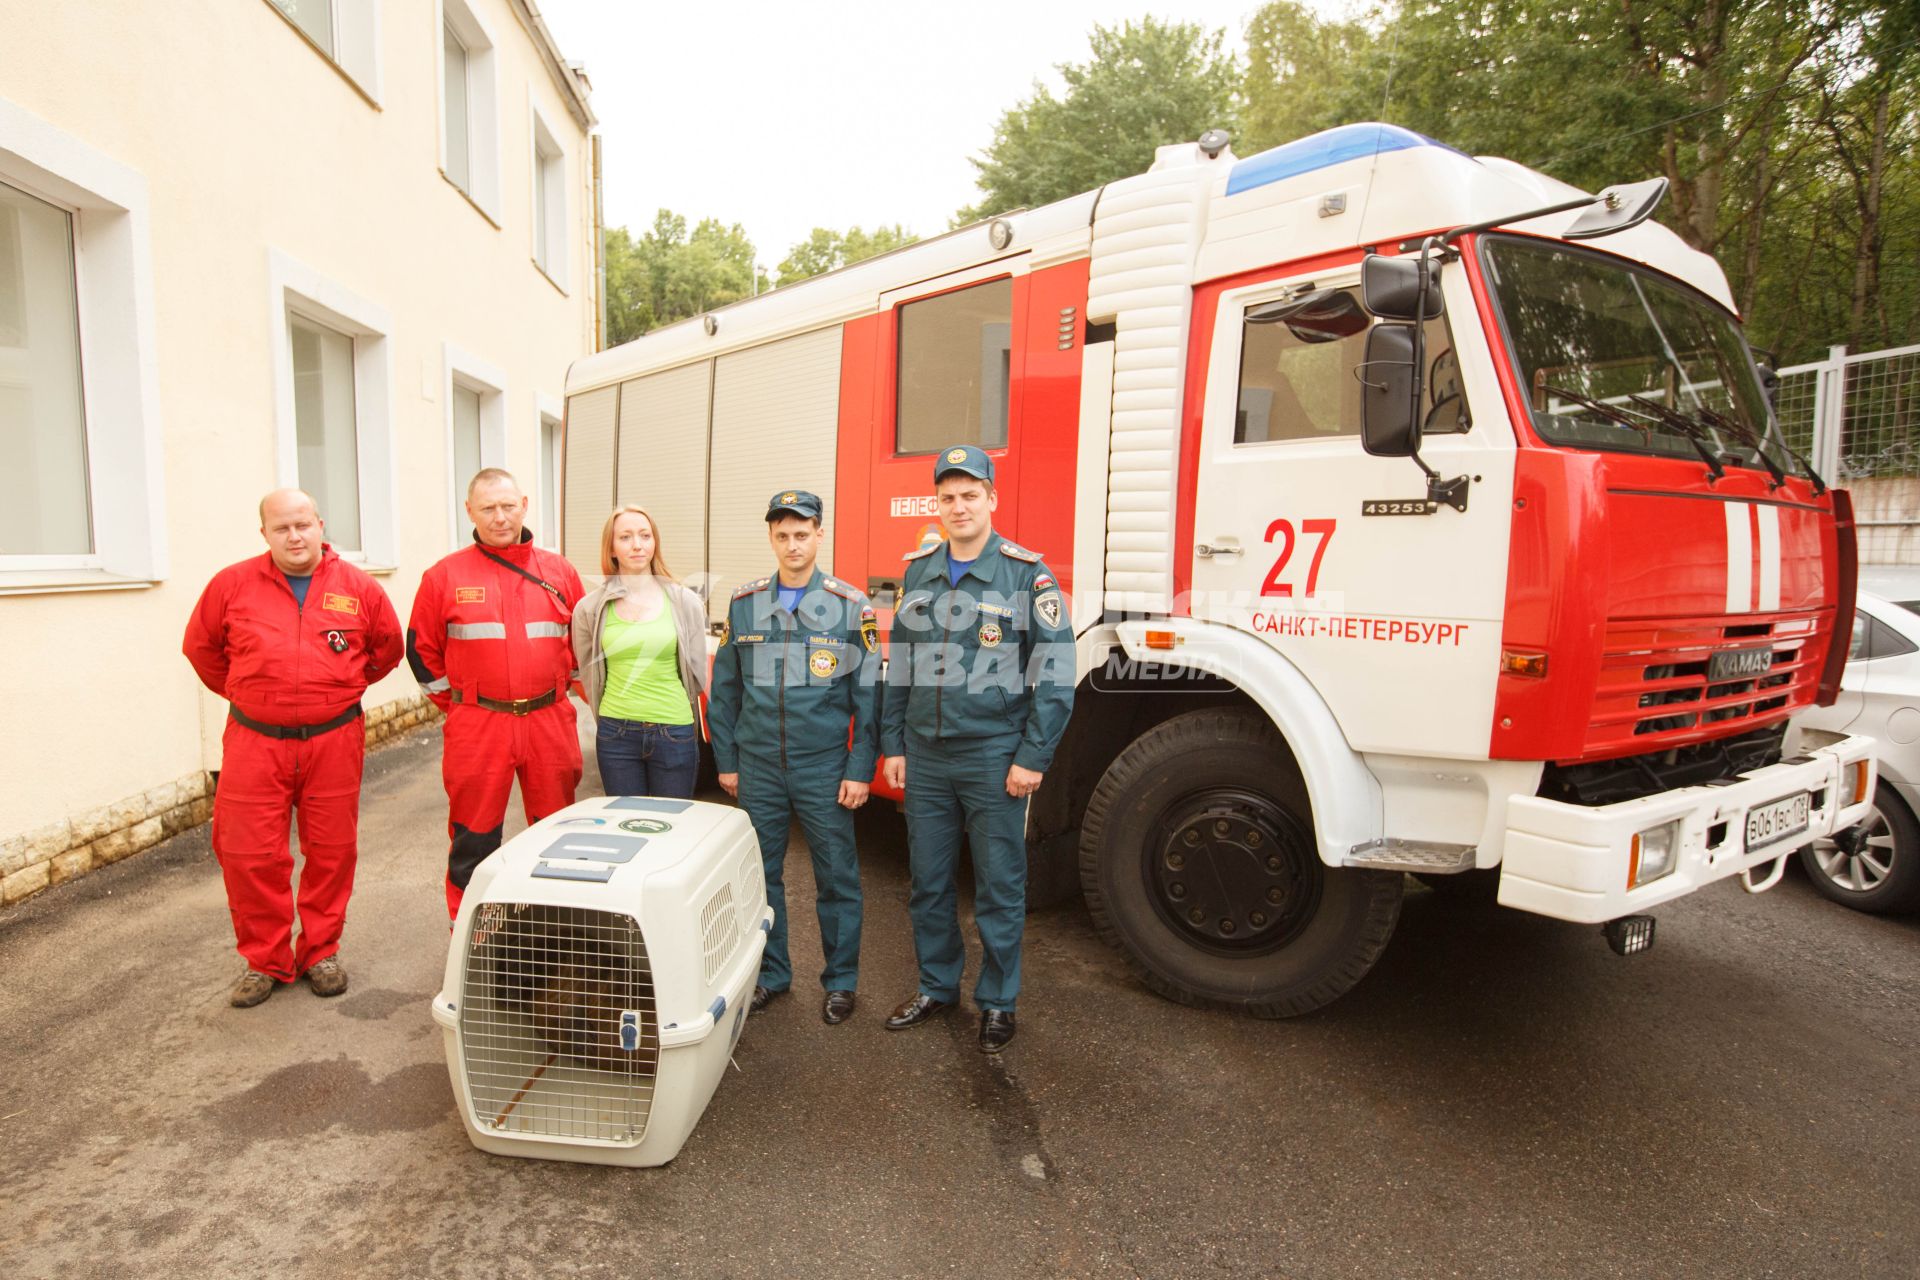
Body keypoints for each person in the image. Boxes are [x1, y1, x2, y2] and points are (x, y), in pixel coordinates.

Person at [880, 445, 1075, 1054]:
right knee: (929, 883)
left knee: (998, 885)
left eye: (970, 495)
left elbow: (1058, 672)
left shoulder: (1026, 574)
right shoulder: (920, 570)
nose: (958, 506)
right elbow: (900, 666)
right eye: (948, 497)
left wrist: (1033, 756)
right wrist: (893, 743)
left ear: (992, 499)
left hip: (994, 755)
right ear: (936, 504)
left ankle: (997, 1000)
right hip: (928, 755)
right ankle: (938, 988)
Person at [182, 489, 403, 1007]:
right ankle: (266, 960)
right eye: (282, 528)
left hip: (334, 740)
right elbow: (203, 650)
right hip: (255, 740)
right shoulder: (231, 585)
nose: (295, 536)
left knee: (331, 849)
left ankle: (320, 951)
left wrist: (335, 691)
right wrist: (253, 695)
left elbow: (386, 650)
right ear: (264, 534)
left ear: (321, 525)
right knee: (248, 853)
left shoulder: (358, 588)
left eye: (303, 524)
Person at [708, 491, 880, 1024]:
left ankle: (841, 981)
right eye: (782, 535)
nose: (792, 544)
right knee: (760, 876)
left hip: (823, 767)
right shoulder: (745, 603)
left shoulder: (851, 606)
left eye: (802, 534)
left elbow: (870, 696)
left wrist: (859, 768)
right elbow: (726, 690)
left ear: (819, 535)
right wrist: (728, 760)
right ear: (771, 539)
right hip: (758, 765)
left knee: (837, 877)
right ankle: (773, 975)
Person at [407, 468, 586, 920]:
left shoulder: (559, 571)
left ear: (525, 504)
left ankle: (553, 927)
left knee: (556, 834)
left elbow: (583, 644)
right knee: (474, 835)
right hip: (478, 725)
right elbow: (422, 652)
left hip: (549, 720)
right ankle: (472, 931)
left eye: (508, 506)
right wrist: (464, 703)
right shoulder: (443, 576)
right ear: (469, 511)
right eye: (488, 508)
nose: (500, 517)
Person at [570, 506, 709, 798]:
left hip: (674, 731)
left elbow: (696, 676)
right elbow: (589, 674)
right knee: (627, 827)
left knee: (672, 827)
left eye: (645, 536)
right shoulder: (589, 609)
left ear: (655, 542)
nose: (637, 545)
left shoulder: (686, 603)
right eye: (625, 537)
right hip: (615, 735)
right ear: (611, 547)